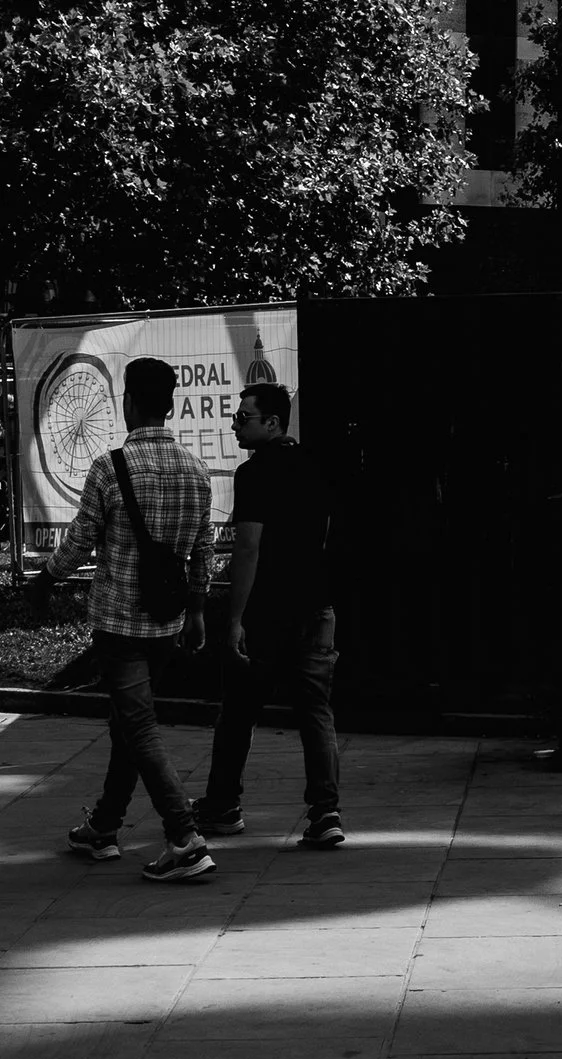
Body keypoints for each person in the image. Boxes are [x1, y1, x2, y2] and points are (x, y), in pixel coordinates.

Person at [50, 356, 217, 882]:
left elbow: (79, 540)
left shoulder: (109, 466)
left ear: (128, 401)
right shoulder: (195, 469)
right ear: (168, 404)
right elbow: (202, 551)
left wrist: (45, 577)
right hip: (167, 626)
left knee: (138, 728)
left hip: (118, 623)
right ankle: (103, 827)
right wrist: (196, 611)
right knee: (128, 725)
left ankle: (184, 837)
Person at [197, 379, 344, 851]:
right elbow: (324, 533)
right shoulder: (316, 465)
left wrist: (234, 616)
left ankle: (222, 807)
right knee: (317, 714)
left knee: (238, 713)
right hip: (316, 606)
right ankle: (326, 813)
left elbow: (248, 546)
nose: (235, 424)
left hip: (268, 612)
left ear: (273, 422)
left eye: (244, 417)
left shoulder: (253, 473)